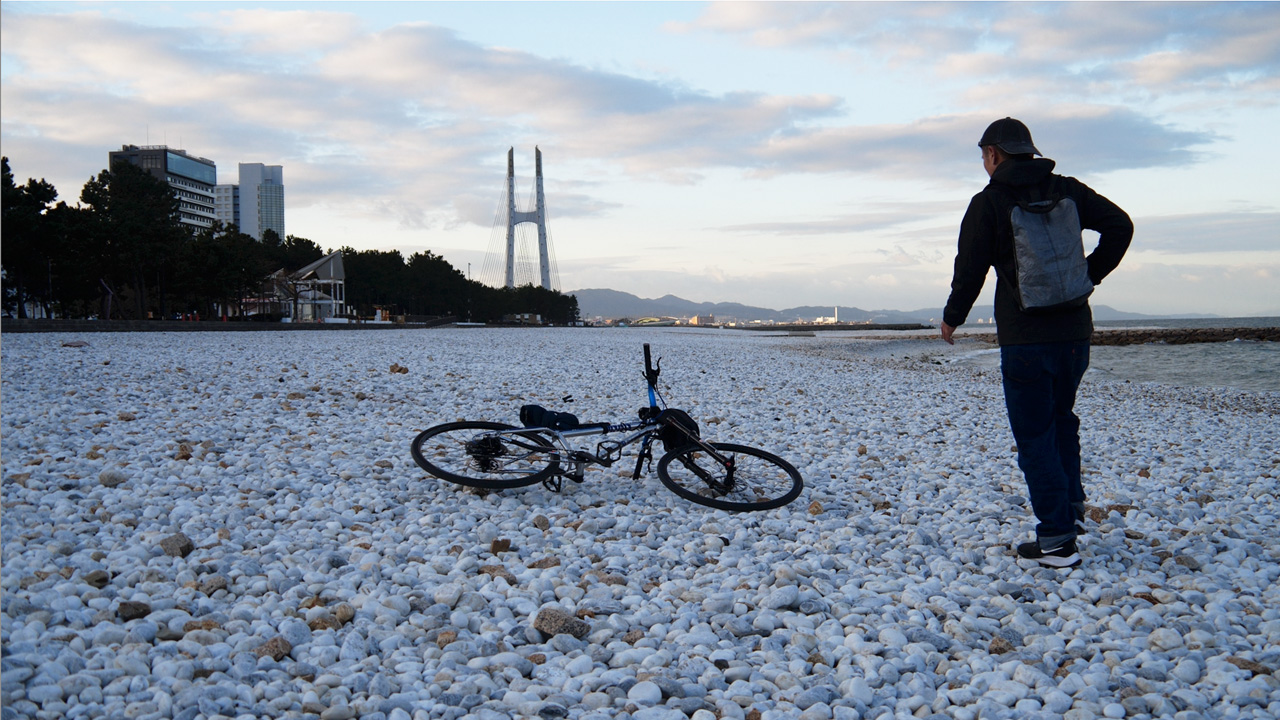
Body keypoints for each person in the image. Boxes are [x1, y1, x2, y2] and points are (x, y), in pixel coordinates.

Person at [941, 117, 1133, 568]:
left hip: (1024, 337)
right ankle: (1070, 512)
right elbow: (1120, 226)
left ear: (993, 154)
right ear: (1028, 149)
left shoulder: (989, 201)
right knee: (1062, 419)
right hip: (1074, 334)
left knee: (1035, 435)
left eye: (983, 156)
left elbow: (970, 269)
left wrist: (952, 318)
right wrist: (1090, 275)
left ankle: (1056, 542)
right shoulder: (1068, 189)